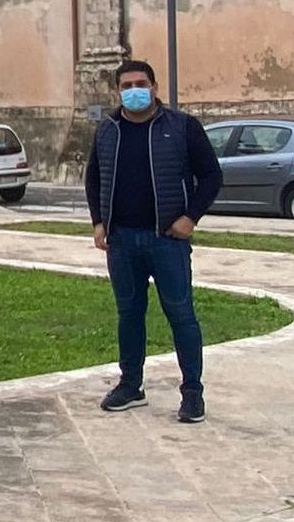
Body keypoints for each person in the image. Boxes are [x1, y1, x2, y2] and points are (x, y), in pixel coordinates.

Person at [85, 59, 222, 423]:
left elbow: (211, 175)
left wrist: (190, 217)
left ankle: (192, 392)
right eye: (127, 85)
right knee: (129, 315)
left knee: (181, 314)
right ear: (118, 91)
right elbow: (94, 178)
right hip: (122, 242)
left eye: (140, 83)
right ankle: (131, 385)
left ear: (155, 87)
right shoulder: (107, 130)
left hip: (167, 241)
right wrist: (98, 223)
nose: (134, 90)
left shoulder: (181, 127)